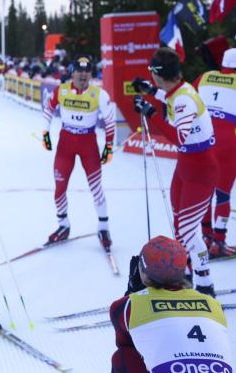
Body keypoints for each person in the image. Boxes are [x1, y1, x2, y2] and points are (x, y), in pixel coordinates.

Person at [133, 47, 217, 295]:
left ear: (159, 74)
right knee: (181, 227)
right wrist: (151, 92)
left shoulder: (183, 99)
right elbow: (169, 97)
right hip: (186, 166)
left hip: (200, 171)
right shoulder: (177, 91)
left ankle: (204, 285)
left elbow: (179, 137)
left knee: (189, 232)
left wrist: (150, 114)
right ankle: (186, 272)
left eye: (152, 73)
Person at [110, 236, 233, 372]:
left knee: (121, 357)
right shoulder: (213, 304)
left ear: (142, 271)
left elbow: (129, 344)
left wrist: (132, 292)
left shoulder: (127, 305)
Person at [41, 55, 116, 249]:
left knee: (96, 187)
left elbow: (110, 121)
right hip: (66, 142)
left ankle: (103, 227)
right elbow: (48, 109)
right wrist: (45, 133)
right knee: (59, 187)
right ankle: (63, 225)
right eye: (79, 71)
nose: (83, 75)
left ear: (91, 74)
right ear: (72, 72)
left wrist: (108, 147)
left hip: (88, 144)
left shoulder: (99, 94)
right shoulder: (62, 90)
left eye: (87, 72)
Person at [195, 47, 236, 257]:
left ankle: (205, 236)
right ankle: (219, 242)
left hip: (203, 141)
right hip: (229, 143)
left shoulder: (205, 77)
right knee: (223, 194)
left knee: (205, 192)